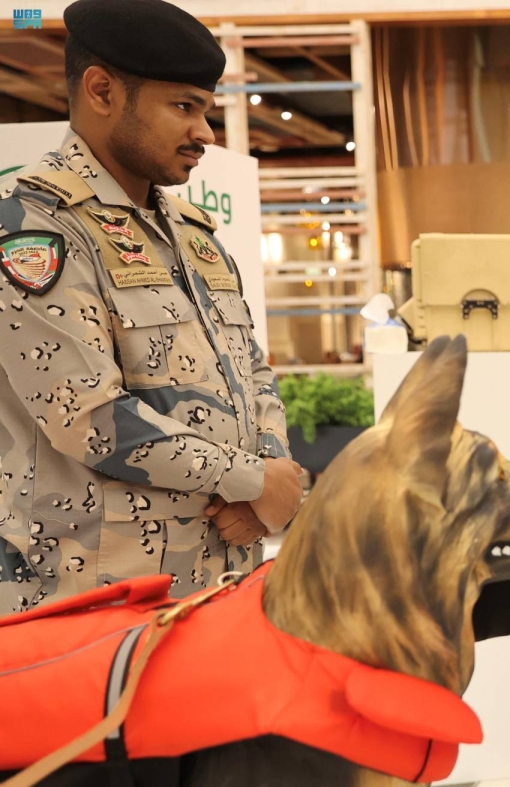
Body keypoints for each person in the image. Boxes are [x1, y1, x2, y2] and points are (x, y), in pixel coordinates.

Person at [0, 0, 304, 615]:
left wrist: (272, 472)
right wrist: (252, 481)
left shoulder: (190, 232)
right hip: (95, 598)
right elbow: (85, 413)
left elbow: (251, 369)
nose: (205, 133)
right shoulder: (34, 225)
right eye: (184, 107)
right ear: (102, 91)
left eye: (206, 110)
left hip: (217, 581)